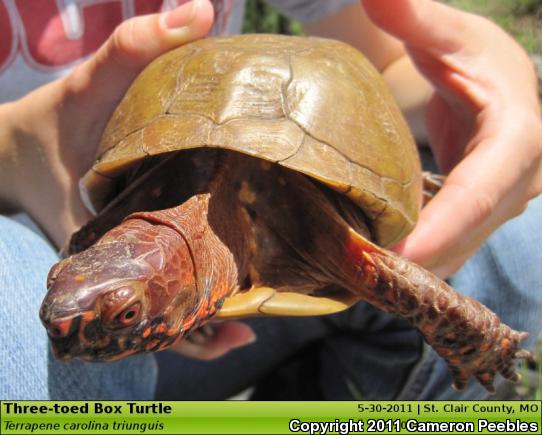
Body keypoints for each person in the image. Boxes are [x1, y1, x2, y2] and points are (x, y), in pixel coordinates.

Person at [0, 0, 540, 400]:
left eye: (125, 314)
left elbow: (384, 69)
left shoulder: (314, 236)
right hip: (29, 222)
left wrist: (486, 82)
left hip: (252, 287)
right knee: (24, 333)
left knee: (518, 241)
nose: (70, 326)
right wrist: (16, 149)